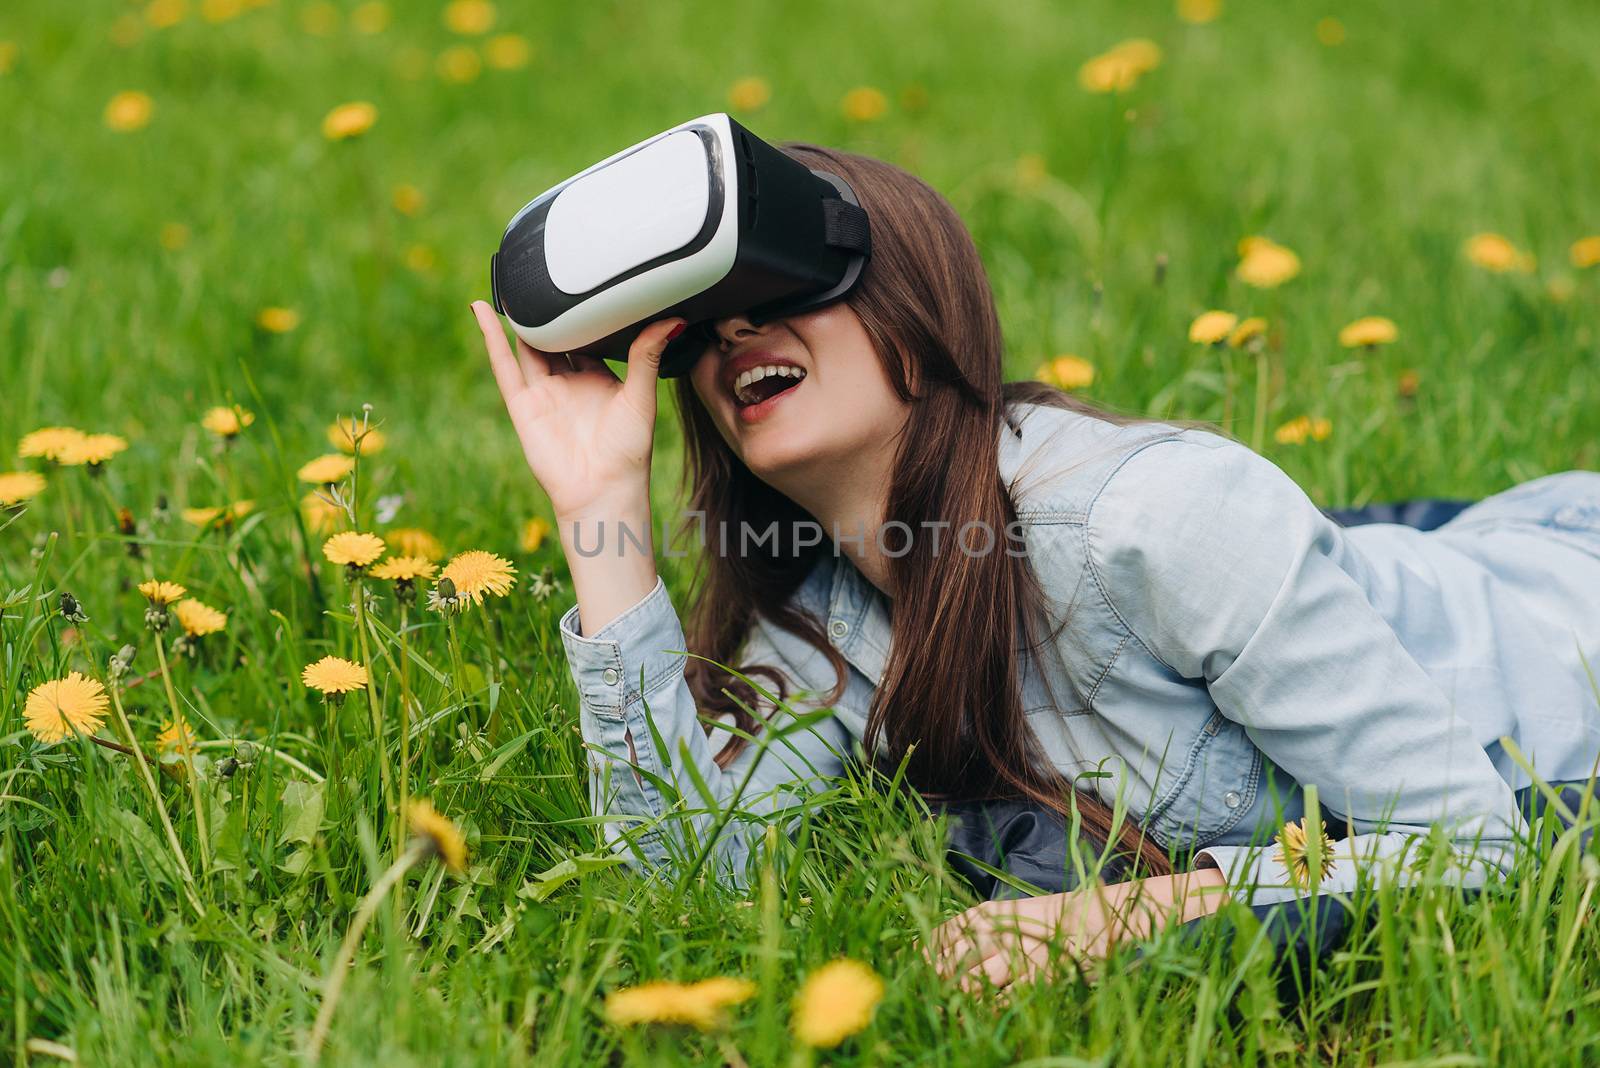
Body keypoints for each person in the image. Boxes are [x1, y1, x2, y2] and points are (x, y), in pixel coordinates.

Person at [470, 141, 1600, 993]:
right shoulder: (824, 625)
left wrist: (1115, 916)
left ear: (912, 303)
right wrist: (594, 512)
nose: (732, 338)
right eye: (701, 328)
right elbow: (685, 881)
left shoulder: (1158, 519)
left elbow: (1476, 851)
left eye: (782, 293)